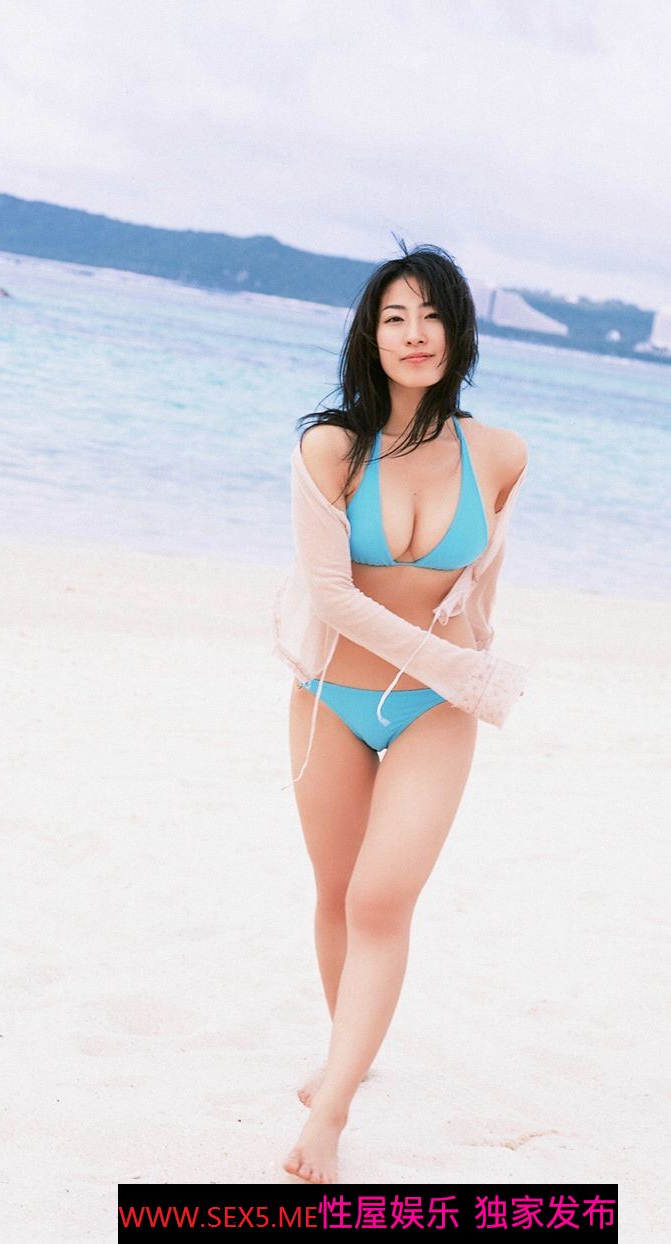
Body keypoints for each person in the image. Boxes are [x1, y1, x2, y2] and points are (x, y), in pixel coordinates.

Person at [270, 242, 530, 1184]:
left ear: (459, 332)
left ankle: (332, 1111)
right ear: (370, 337)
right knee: (337, 893)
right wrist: (466, 670)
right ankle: (350, 1050)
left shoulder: (500, 454)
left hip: (433, 711)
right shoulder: (331, 450)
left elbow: (481, 584)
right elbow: (334, 597)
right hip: (330, 698)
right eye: (394, 318)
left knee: (382, 900)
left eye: (431, 316)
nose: (414, 334)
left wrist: (470, 663)